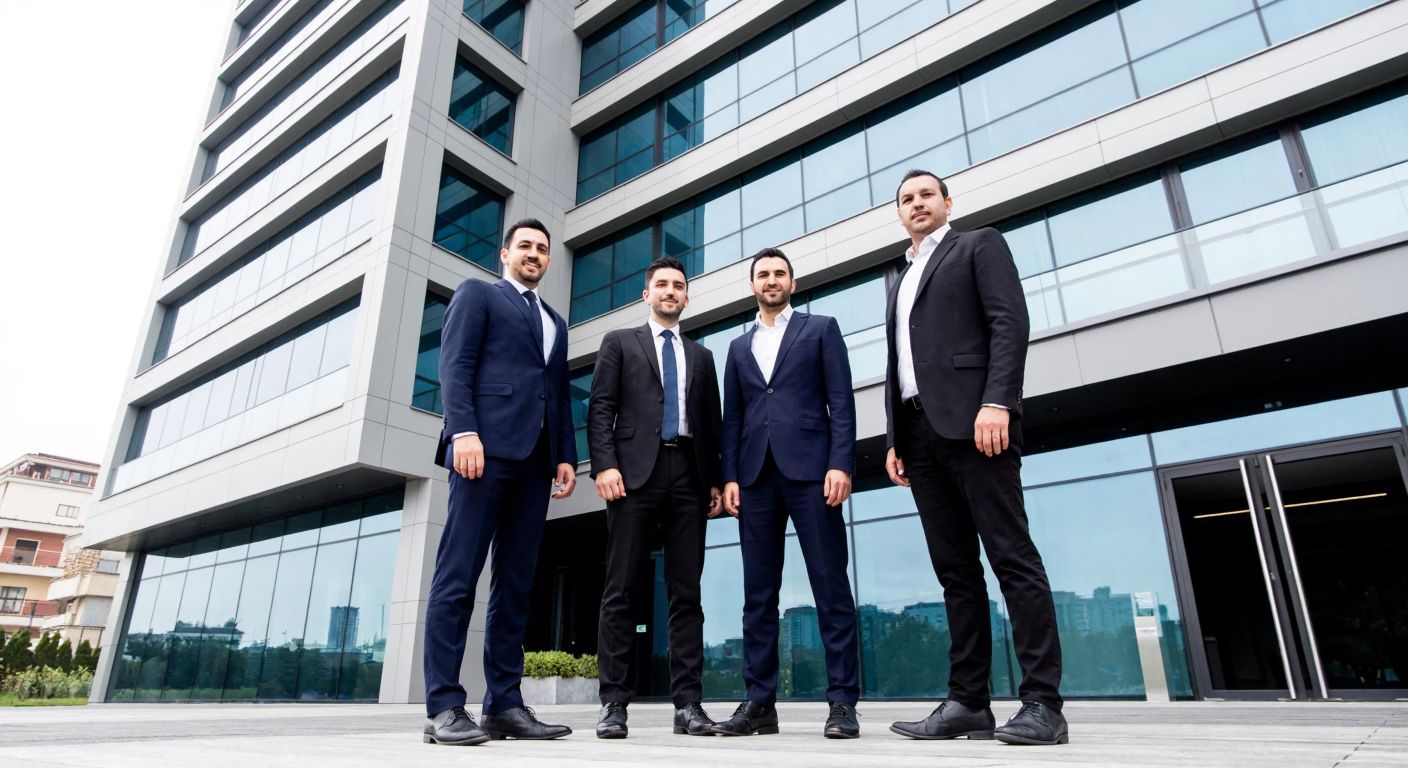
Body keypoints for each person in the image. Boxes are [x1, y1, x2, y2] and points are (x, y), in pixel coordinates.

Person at [883, 171, 1068, 746]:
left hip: (978, 423)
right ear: (899, 213)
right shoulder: (899, 278)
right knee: (955, 572)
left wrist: (998, 402)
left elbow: (1009, 323)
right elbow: (900, 364)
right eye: (907, 199)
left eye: (926, 195)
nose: (917, 204)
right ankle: (968, 702)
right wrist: (895, 438)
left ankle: (1043, 704)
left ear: (947, 203)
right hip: (919, 435)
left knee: (1012, 556)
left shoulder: (978, 244)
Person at [422, 219, 578, 746]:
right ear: (505, 253)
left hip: (535, 463)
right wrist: (463, 430)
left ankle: (505, 705)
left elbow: (558, 393)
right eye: (525, 246)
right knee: (458, 577)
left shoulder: (556, 321)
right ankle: (443, 706)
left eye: (542, 249)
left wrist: (565, 455)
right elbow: (455, 364)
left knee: (516, 585)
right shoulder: (478, 294)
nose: (534, 254)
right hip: (481, 454)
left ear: (549, 260)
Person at [712, 248, 862, 739]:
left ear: (792, 283)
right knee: (758, 595)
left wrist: (840, 463)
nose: (771, 280)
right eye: (763, 275)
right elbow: (732, 418)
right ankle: (759, 702)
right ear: (753, 285)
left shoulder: (821, 329)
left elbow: (841, 401)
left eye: (779, 274)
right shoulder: (737, 347)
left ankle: (842, 702)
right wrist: (730, 476)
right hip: (755, 477)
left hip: (813, 472)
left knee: (830, 587)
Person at [587, 256, 724, 739]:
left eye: (678, 285)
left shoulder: (703, 357)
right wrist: (604, 464)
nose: (670, 291)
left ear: (687, 296)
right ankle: (614, 703)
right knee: (621, 589)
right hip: (632, 475)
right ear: (647, 294)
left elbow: (712, 424)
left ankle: (688, 705)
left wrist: (715, 479)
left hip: (689, 475)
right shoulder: (620, 342)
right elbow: (600, 407)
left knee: (687, 593)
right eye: (662, 284)